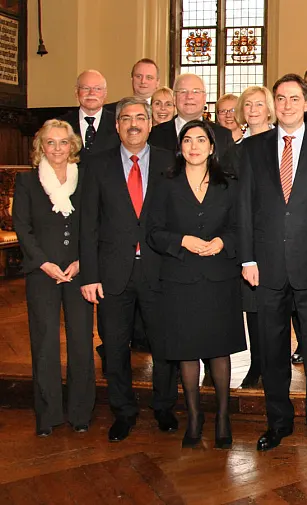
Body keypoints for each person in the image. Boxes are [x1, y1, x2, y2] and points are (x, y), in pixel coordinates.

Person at [238, 74, 307, 455]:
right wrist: (247, 257)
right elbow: (245, 207)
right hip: (265, 267)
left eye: (294, 98)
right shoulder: (252, 148)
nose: (286, 105)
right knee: (271, 350)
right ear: (273, 104)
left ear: (306, 101)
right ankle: (278, 422)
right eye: (280, 98)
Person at [80, 97, 179, 442]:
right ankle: (123, 410)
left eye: (140, 117)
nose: (133, 123)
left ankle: (164, 406)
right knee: (115, 345)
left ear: (151, 123)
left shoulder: (171, 162)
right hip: (111, 273)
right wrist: (90, 275)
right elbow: (88, 225)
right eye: (126, 118)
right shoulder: (95, 164)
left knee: (165, 344)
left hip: (160, 270)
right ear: (116, 125)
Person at [146, 120, 246, 449]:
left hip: (219, 278)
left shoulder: (229, 183)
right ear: (180, 147)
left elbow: (240, 227)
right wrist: (183, 240)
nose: (194, 146)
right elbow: (154, 232)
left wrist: (222, 242)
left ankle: (222, 417)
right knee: (185, 352)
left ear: (212, 146)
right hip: (180, 278)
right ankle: (194, 417)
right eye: (187, 140)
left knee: (218, 351)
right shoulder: (165, 183)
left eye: (200, 140)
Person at [13, 119, 94, 437]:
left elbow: (92, 224)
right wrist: (43, 262)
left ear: (71, 145)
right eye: (50, 142)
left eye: (63, 142)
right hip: (42, 272)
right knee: (44, 344)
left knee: (81, 342)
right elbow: (22, 227)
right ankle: (47, 415)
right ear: (40, 146)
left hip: (78, 272)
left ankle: (80, 412)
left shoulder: (85, 179)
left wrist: (81, 261)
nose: (57, 148)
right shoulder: (27, 182)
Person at [228, 85, 276, 388]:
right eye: (248, 105)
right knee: (255, 306)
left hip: (280, 238)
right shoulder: (234, 151)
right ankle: (257, 363)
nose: (254, 109)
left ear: (270, 108)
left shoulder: (283, 144)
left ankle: (279, 364)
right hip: (248, 238)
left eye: (260, 104)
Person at [148, 73, 234, 159]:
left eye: (196, 91)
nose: (189, 96)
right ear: (174, 98)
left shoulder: (223, 136)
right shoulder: (153, 135)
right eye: (183, 91)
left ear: (204, 98)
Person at [58, 70, 119, 156]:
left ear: (105, 93)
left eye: (97, 89)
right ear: (76, 92)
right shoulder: (61, 125)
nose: (91, 93)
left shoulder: (118, 123)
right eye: (86, 88)